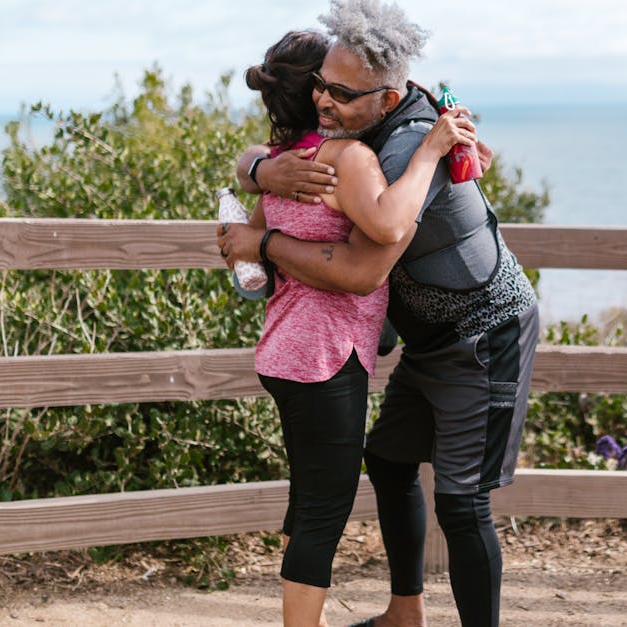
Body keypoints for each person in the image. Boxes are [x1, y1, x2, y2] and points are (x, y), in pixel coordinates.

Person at [219, 1, 539, 625]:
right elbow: (269, 156)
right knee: (390, 462)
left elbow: (368, 262)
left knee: (462, 501)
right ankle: (405, 613)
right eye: (320, 87)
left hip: (486, 329)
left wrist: (262, 243)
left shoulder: (403, 150)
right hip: (428, 338)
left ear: (385, 99)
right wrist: (258, 168)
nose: (324, 102)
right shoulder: (364, 128)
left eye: (340, 93)